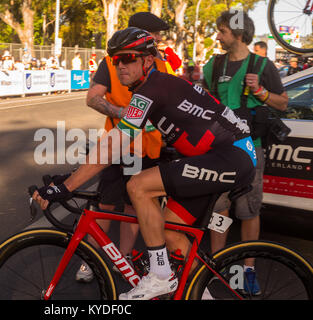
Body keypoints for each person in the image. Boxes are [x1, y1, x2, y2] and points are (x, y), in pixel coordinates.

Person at [33, 27, 257, 300]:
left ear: (147, 61)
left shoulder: (154, 86)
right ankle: (203, 294)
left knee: (138, 186)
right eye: (116, 60)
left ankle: (160, 275)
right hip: (217, 157)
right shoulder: (149, 90)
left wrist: (66, 187)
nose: (120, 66)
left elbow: (115, 143)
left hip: (231, 156)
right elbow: (122, 145)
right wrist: (73, 174)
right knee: (171, 232)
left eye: (128, 58)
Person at [74, 13, 175, 284]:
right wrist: (125, 113)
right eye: (156, 34)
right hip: (118, 145)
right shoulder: (111, 61)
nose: (160, 39)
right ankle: (90, 259)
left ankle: (124, 258)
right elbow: (93, 98)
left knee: (134, 208)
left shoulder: (163, 66)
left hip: (148, 150)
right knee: (104, 203)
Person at [203, 10, 288, 296]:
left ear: (238, 33)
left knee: (249, 210)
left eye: (222, 31)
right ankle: (217, 265)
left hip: (251, 149)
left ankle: (248, 270)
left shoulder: (263, 65)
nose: (218, 36)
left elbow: (283, 104)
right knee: (219, 210)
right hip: (217, 150)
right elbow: (202, 102)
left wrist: (261, 92)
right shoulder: (212, 66)